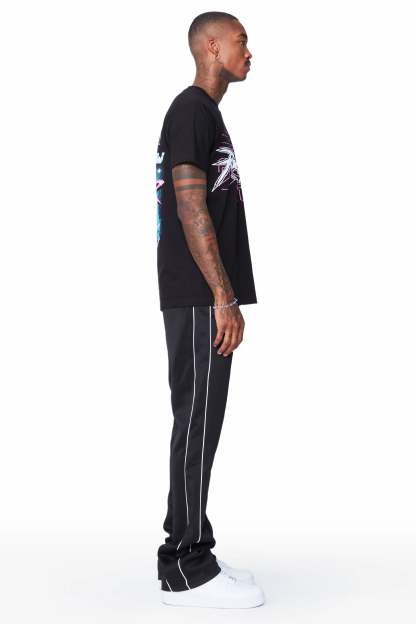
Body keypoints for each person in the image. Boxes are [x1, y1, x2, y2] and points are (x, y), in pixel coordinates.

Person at [155, 11, 265, 609]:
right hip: (200, 297)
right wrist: (223, 296)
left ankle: (195, 548)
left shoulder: (203, 113)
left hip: (202, 297)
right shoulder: (192, 110)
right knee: (196, 425)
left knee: (201, 424)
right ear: (214, 47)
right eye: (243, 41)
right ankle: (184, 569)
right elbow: (190, 206)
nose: (252, 52)